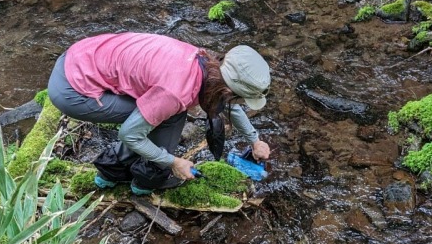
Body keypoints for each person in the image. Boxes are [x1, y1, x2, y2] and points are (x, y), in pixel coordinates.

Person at [47, 32, 271, 195]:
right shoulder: (175, 92)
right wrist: (172, 162)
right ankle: (145, 178)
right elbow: (130, 135)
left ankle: (112, 172)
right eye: (242, 98)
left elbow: (227, 104)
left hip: (81, 56)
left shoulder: (205, 63)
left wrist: (254, 140)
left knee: (161, 112)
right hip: (72, 89)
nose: (242, 104)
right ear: (229, 89)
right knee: (172, 114)